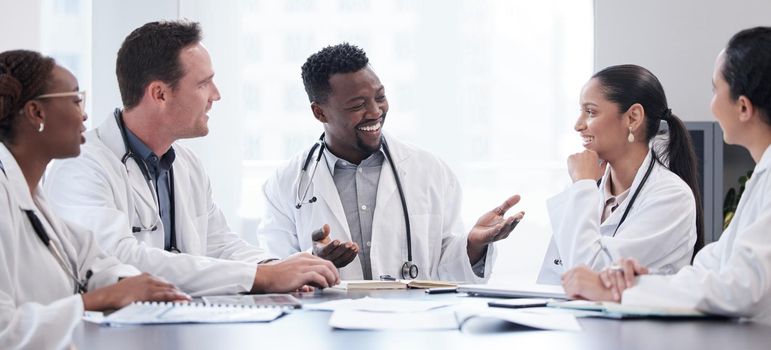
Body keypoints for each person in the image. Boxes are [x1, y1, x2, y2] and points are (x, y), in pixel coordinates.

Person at [44, 20, 339, 295]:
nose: (216, 95)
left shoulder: (185, 163)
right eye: (203, 84)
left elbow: (220, 244)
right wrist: (259, 277)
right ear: (159, 94)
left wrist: (278, 267)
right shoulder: (82, 165)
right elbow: (116, 259)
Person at [257, 43, 524, 281]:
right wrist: (313, 260)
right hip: (323, 326)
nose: (375, 112)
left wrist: (473, 245)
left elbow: (446, 266)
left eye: (380, 97)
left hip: (410, 326)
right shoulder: (285, 183)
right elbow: (275, 271)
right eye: (357, 105)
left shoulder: (430, 170)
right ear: (319, 112)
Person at [562, 26, 771, 324]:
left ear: (743, 106)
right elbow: (711, 267)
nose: (578, 125)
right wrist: (637, 283)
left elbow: (741, 288)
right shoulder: (763, 175)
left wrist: (625, 289)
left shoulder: (670, 194)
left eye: (715, 90)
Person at [0, 50, 190, 349]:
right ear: (37, 113)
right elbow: (4, 332)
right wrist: (95, 300)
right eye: (76, 100)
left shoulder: (32, 196)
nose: (84, 114)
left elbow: (93, 261)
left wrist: (128, 285)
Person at [537, 64, 703, 287]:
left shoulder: (671, 197)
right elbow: (550, 280)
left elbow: (591, 276)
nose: (578, 125)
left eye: (591, 112)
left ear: (633, 118)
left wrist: (583, 186)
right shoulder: (586, 189)